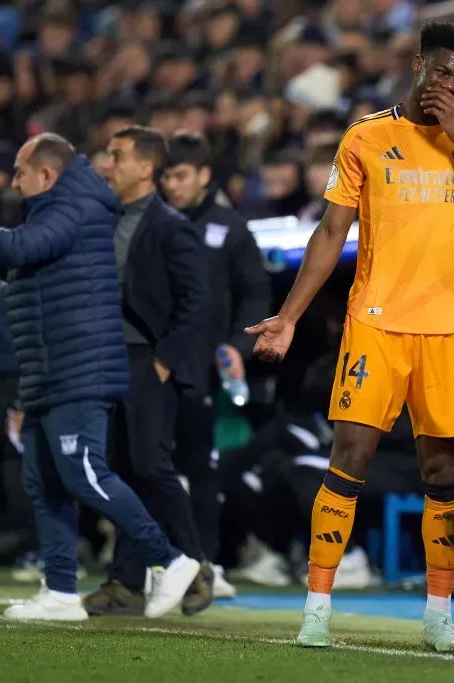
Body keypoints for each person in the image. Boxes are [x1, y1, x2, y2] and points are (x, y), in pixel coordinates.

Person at [245, 22, 454, 651]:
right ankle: (317, 607)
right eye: (441, 72)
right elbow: (330, 232)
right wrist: (289, 315)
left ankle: (439, 614)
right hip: (376, 323)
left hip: (448, 327)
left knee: (443, 469)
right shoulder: (366, 136)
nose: (449, 86)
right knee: (350, 457)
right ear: (418, 66)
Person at [0, 133, 200, 620]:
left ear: (45, 174)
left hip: (78, 368)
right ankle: (60, 591)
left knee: (85, 474)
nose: (14, 183)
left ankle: (171, 559)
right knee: (44, 482)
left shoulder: (75, 205)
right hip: (49, 370)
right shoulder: (59, 208)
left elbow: (20, 247)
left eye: (20, 173)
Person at [83, 126, 213, 617]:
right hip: (108, 358)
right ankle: (126, 583)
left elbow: (196, 299)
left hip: (146, 361)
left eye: (117, 156)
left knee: (151, 466)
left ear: (145, 167)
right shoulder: (106, 218)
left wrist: (163, 360)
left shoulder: (170, 226)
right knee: (120, 470)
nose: (107, 164)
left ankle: (196, 566)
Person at [161, 132, 273, 599]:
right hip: (152, 363)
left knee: (202, 467)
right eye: (166, 176)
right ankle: (156, 560)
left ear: (204, 175)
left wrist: (237, 346)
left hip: (203, 369)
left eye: (181, 175)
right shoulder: (153, 221)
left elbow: (256, 294)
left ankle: (207, 562)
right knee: (148, 463)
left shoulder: (230, 228)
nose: (172, 185)